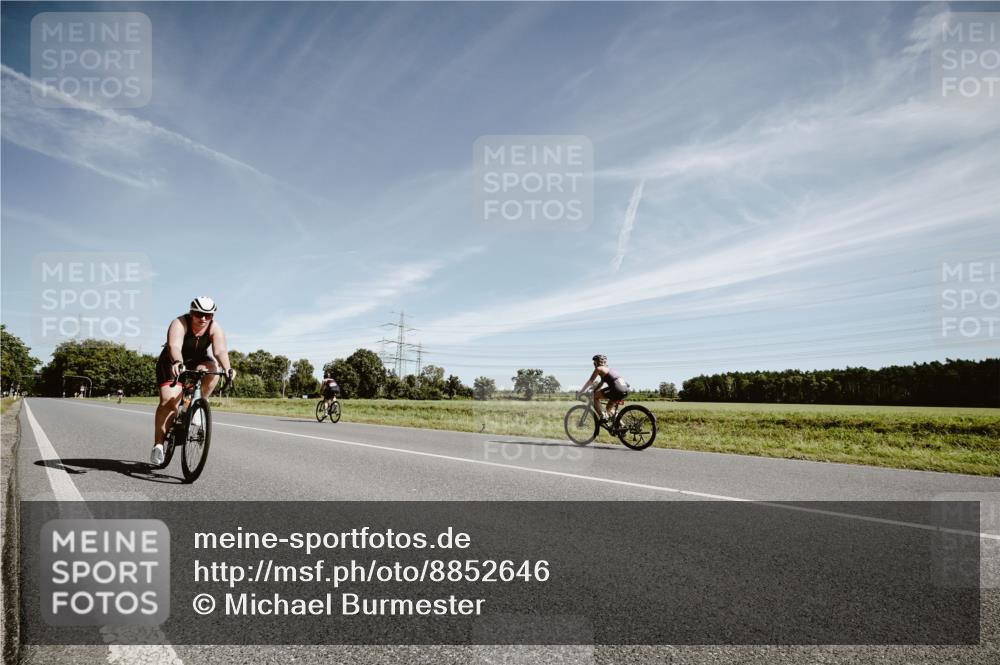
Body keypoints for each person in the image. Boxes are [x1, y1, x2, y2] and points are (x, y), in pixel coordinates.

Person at [151, 297, 236, 466]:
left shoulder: (214, 328)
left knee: (214, 370)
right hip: (173, 360)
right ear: (191, 313)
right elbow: (174, 346)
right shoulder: (179, 323)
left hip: (198, 359)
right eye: (199, 314)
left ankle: (196, 404)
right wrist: (177, 362)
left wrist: (228, 368)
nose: (203, 318)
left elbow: (220, 350)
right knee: (169, 401)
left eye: (208, 315)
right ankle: (158, 445)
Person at [577, 354, 630, 423]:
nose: (594, 364)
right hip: (625, 389)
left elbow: (590, 381)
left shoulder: (599, 368)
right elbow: (601, 384)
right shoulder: (609, 370)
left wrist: (581, 391)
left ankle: (603, 416)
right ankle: (622, 426)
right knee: (609, 408)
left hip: (616, 389)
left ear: (598, 362)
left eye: (594, 362)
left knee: (593, 397)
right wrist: (594, 390)